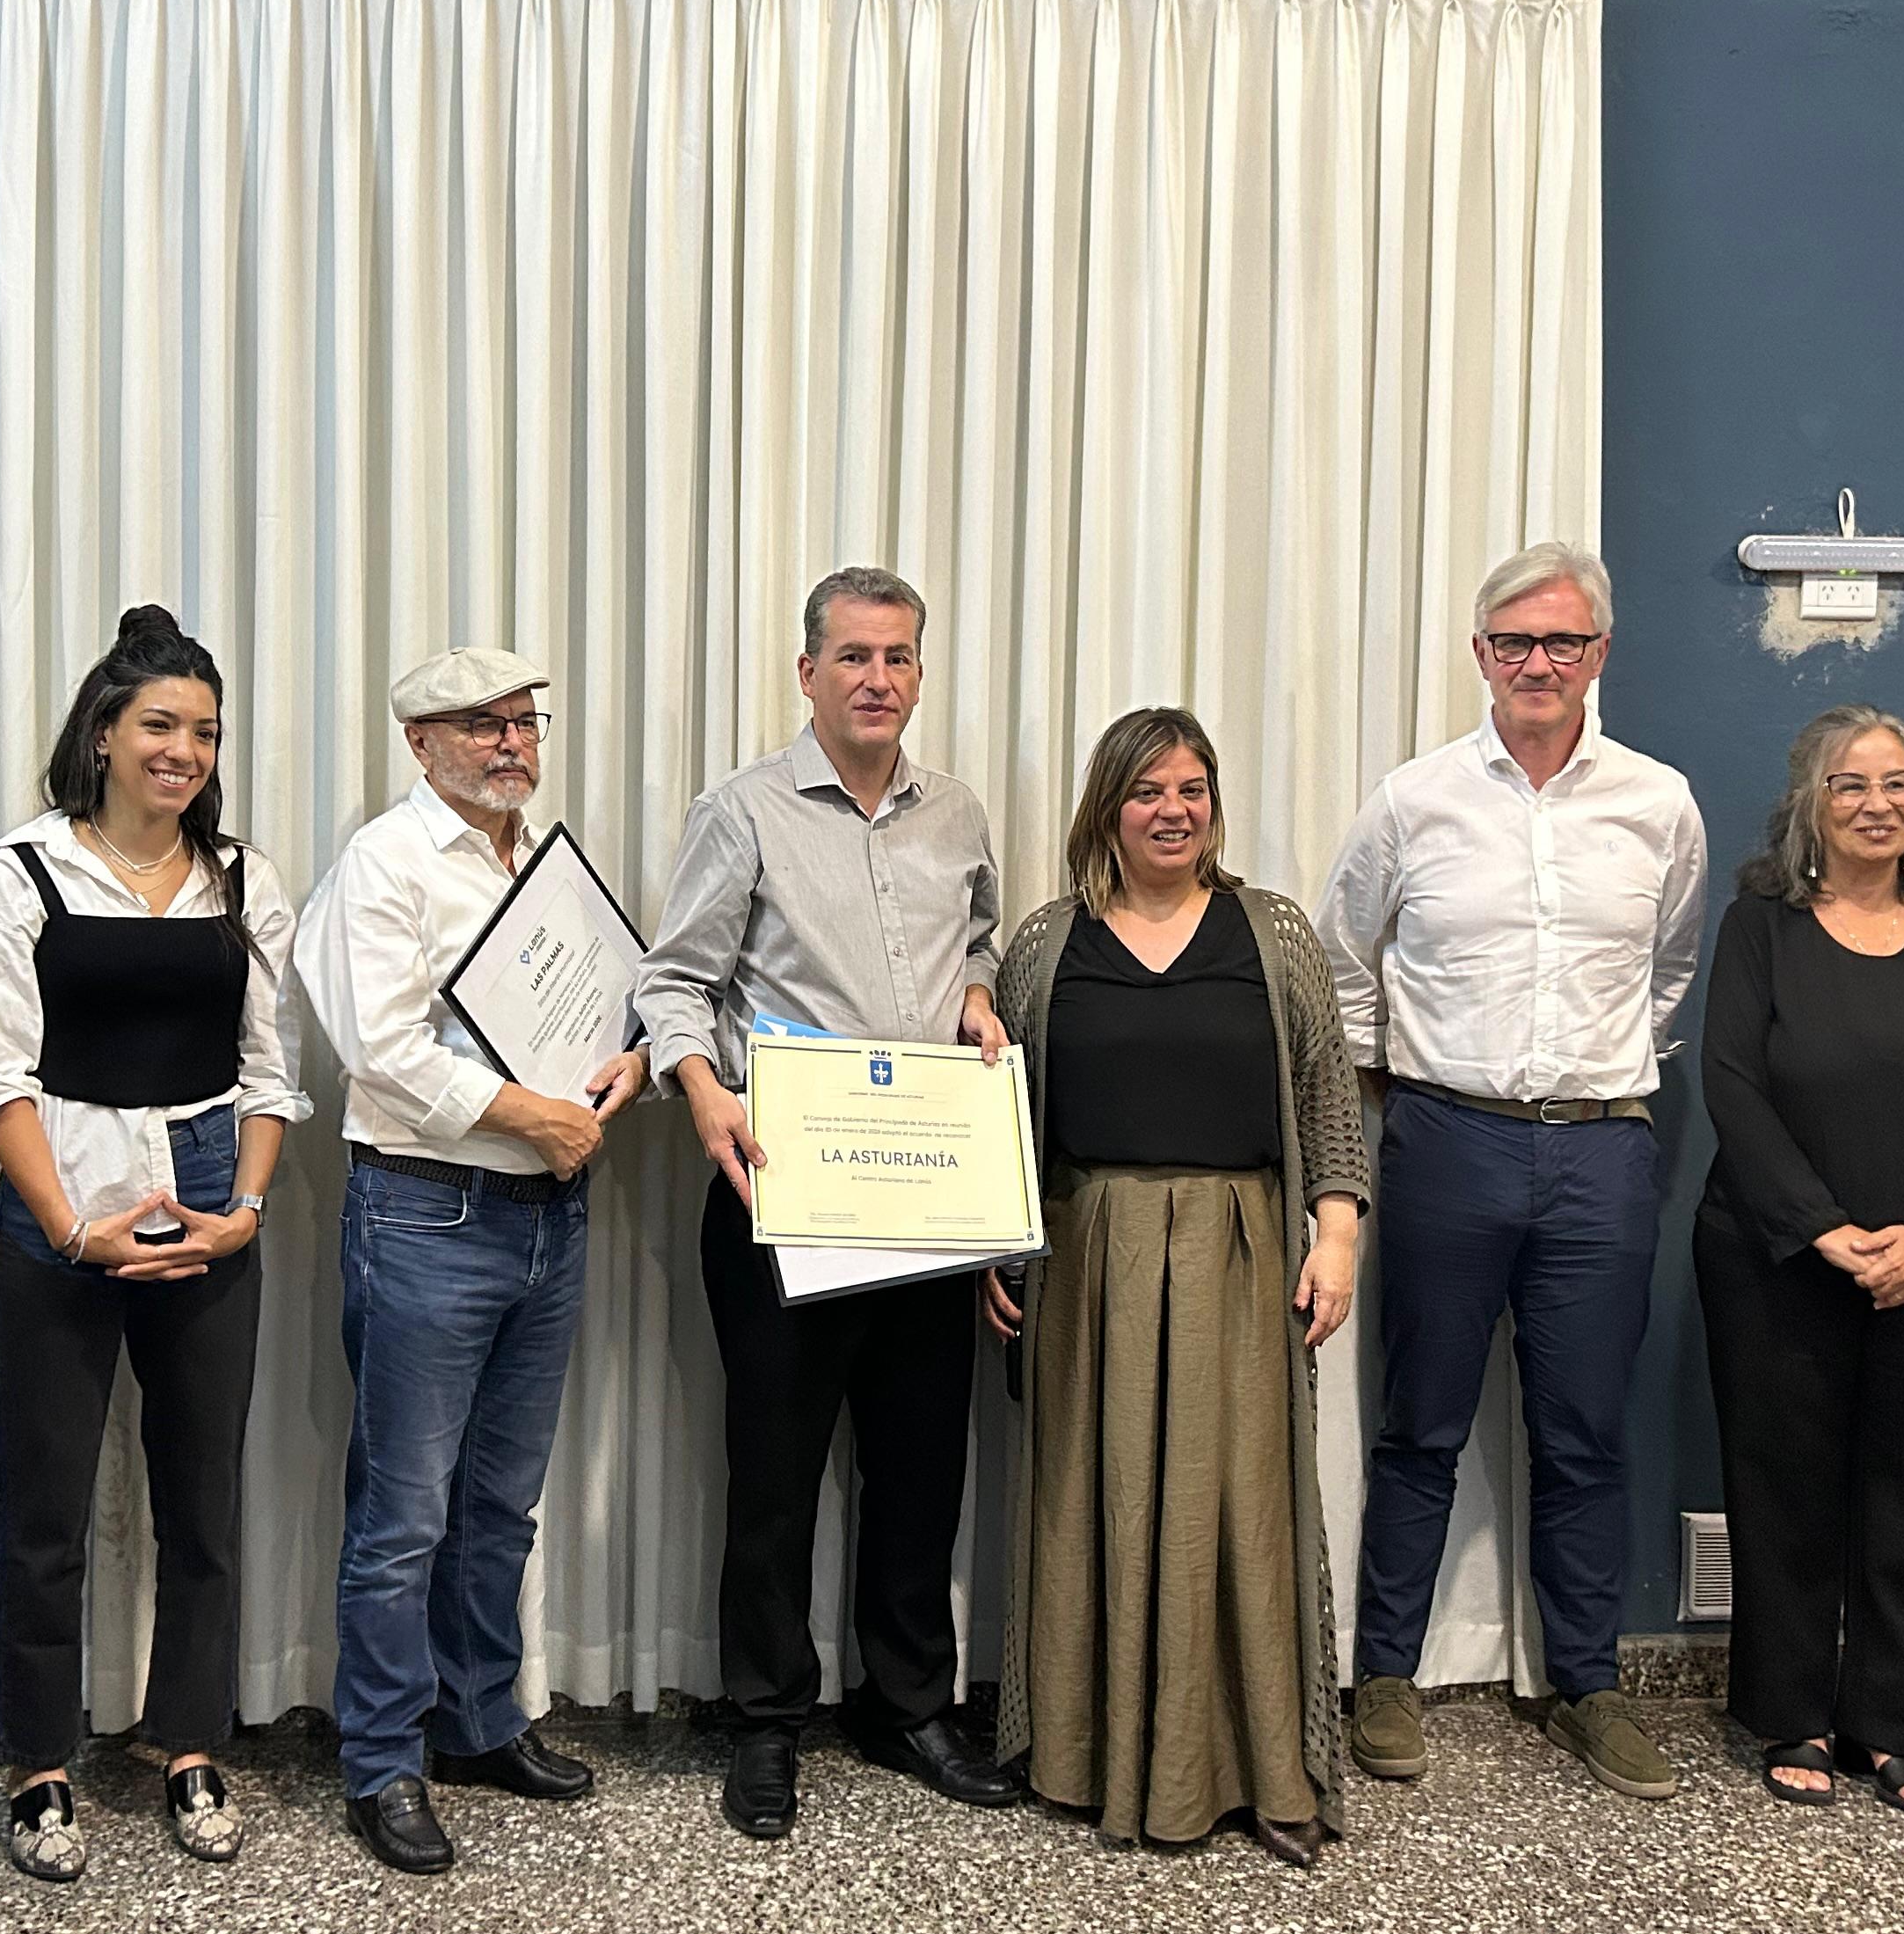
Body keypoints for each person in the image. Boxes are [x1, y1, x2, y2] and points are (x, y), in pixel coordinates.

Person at [635, 566, 1021, 1841]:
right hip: (783, 1188)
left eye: (898, 657)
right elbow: (675, 981)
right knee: (776, 1474)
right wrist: (702, 1092)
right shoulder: (743, 810)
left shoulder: (956, 813)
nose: (877, 679)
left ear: (920, 672)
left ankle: (905, 1706)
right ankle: (765, 1719)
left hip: (926, 1193)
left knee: (920, 1465)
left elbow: (977, 941)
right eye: (853, 656)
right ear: (808, 673)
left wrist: (977, 993)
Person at [1317, 542, 1707, 1800]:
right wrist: (1411, 1087)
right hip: (1447, 1141)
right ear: (1481, 654)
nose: (1539, 662)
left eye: (1563, 641)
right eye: (1515, 642)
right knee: (1420, 1423)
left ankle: (1588, 1684)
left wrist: (1591, 1077)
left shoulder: (1659, 805)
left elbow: (1668, 973)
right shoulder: (1413, 801)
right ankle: (1387, 1674)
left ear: (1600, 653)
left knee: (1585, 1434)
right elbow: (1343, 962)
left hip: (1601, 1152)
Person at [0, 606, 308, 1880]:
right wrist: (68, 1229)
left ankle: (188, 1741)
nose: (183, 751)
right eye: (159, 724)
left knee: (203, 1496)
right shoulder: (20, 874)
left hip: (207, 1202)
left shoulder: (243, 879)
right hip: (62, 1207)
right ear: (102, 733)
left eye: (205, 731)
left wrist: (244, 1212)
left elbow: (267, 1071)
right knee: (45, 1501)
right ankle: (40, 1762)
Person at [984, 708, 1370, 1866]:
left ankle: (1262, 1770)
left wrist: (1337, 1233)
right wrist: (995, 1245)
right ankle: (1085, 1758)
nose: (1173, 810)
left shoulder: (1275, 934)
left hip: (1237, 1253)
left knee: (1240, 1509)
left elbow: (1327, 1093)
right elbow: (1004, 1117)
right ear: (1107, 809)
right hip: (1086, 1256)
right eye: (1147, 790)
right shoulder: (1046, 945)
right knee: (1089, 1502)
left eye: (1192, 788)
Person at [293, 647, 646, 1875]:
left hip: (550, 1216)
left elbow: (607, 1006)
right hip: (426, 1215)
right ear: (420, 742)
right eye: (480, 725)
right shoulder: (385, 865)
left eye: (524, 722)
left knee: (499, 1503)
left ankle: (481, 1720)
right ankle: (382, 1760)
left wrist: (628, 1062)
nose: (510, 744)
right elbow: (382, 1053)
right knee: (403, 1516)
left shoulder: (542, 865)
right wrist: (534, 1116)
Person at [1695, 706, 1904, 1817]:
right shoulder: (1761, 929)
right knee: (1783, 1487)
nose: (1877, 803)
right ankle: (1790, 1712)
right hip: (1779, 1259)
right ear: (1811, 802)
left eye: (1898, 782)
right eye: (1850, 784)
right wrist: (1822, 1228)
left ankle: (1892, 1724)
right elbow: (1732, 1083)